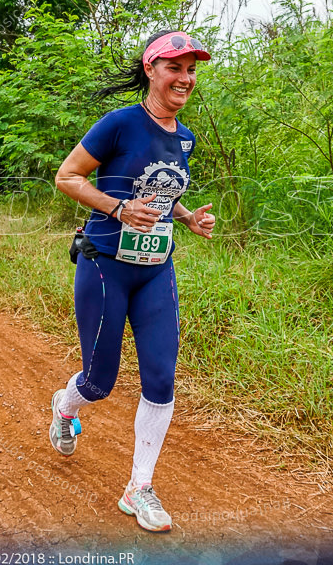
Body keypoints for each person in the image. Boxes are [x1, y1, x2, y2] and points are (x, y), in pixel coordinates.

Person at [50, 30, 216, 533]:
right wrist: (118, 208)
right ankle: (64, 405)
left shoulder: (183, 136)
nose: (184, 78)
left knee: (161, 379)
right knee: (99, 383)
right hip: (104, 264)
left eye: (191, 70)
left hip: (156, 268)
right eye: (174, 68)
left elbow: (160, 188)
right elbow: (68, 176)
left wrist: (185, 217)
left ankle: (139, 487)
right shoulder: (119, 124)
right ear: (151, 70)